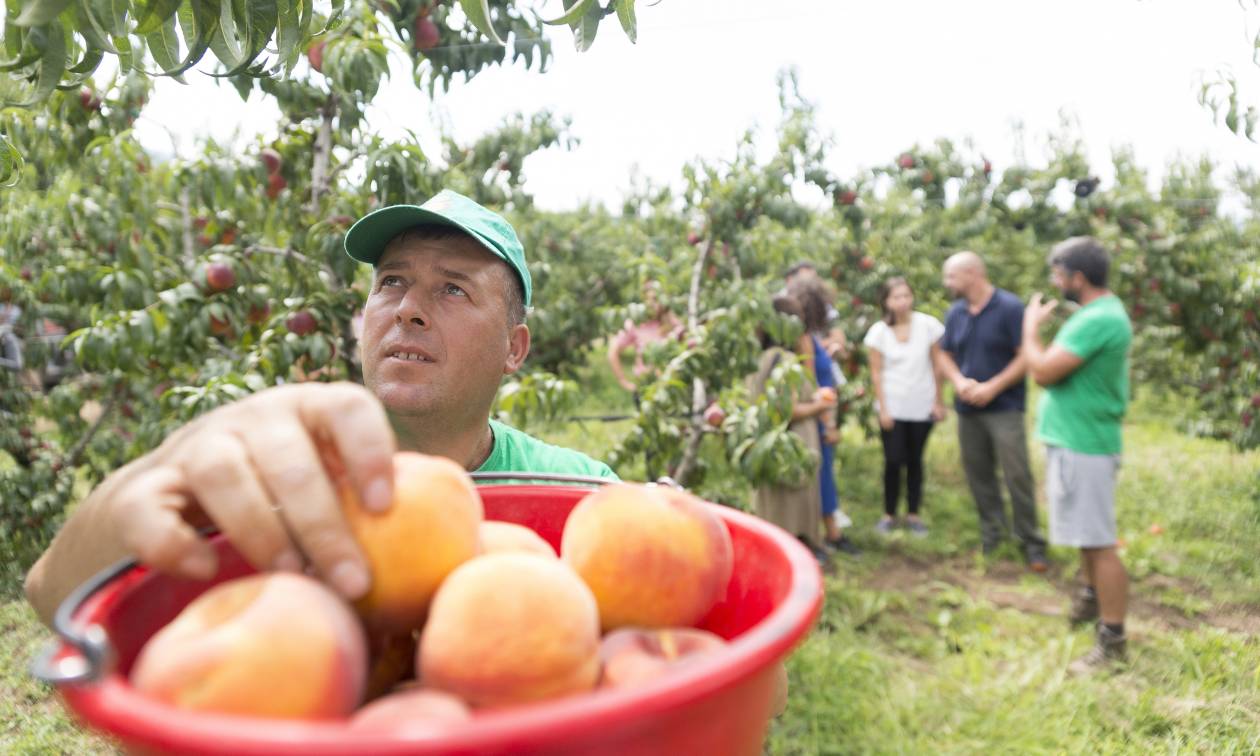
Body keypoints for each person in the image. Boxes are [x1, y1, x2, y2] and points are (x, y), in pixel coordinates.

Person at [24, 189, 618, 625]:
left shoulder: (576, 493)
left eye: (453, 288)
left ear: (513, 348)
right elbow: (52, 596)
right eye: (390, 281)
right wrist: (159, 473)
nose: (407, 308)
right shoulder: (279, 476)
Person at [1023, 237, 1133, 673]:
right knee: (1088, 537)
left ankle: (1113, 640)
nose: (1055, 281)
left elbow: (1044, 371)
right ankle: (1091, 603)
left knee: (1099, 542)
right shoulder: (1099, 314)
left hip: (1084, 444)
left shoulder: (1098, 318)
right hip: (1078, 440)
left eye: (1058, 274)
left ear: (1077, 278)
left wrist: (1030, 330)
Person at [937, 251, 1048, 572]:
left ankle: (1031, 541)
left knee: (1017, 473)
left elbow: (1025, 356)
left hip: (1005, 407)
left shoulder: (1010, 308)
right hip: (968, 409)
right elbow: (944, 353)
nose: (947, 284)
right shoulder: (956, 312)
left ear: (972, 273)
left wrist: (993, 387)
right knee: (978, 473)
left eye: (951, 277)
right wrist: (958, 381)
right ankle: (993, 535)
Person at [747, 294, 837, 565]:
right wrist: (819, 405)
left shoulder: (761, 357)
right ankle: (797, 556)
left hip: (769, 443)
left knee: (775, 503)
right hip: (793, 441)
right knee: (792, 502)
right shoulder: (783, 360)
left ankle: (776, 553)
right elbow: (787, 409)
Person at [863, 277, 946, 536]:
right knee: (892, 460)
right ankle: (888, 513)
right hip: (893, 405)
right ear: (886, 301)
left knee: (915, 460)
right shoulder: (879, 332)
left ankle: (913, 514)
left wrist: (938, 401)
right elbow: (876, 373)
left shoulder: (928, 325)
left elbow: (938, 364)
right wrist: (883, 409)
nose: (902, 302)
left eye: (906, 296)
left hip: (922, 404)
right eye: (896, 297)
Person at [787, 277, 858, 555]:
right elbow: (811, 383)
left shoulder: (811, 337)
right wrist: (827, 422)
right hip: (815, 417)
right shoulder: (804, 340)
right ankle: (828, 534)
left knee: (823, 475)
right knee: (821, 477)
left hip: (818, 414)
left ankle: (829, 532)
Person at [607, 279, 681, 393]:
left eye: (656, 299)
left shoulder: (673, 323)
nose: (652, 303)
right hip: (646, 387)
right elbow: (613, 351)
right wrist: (623, 381)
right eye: (648, 299)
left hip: (672, 386)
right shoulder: (637, 323)